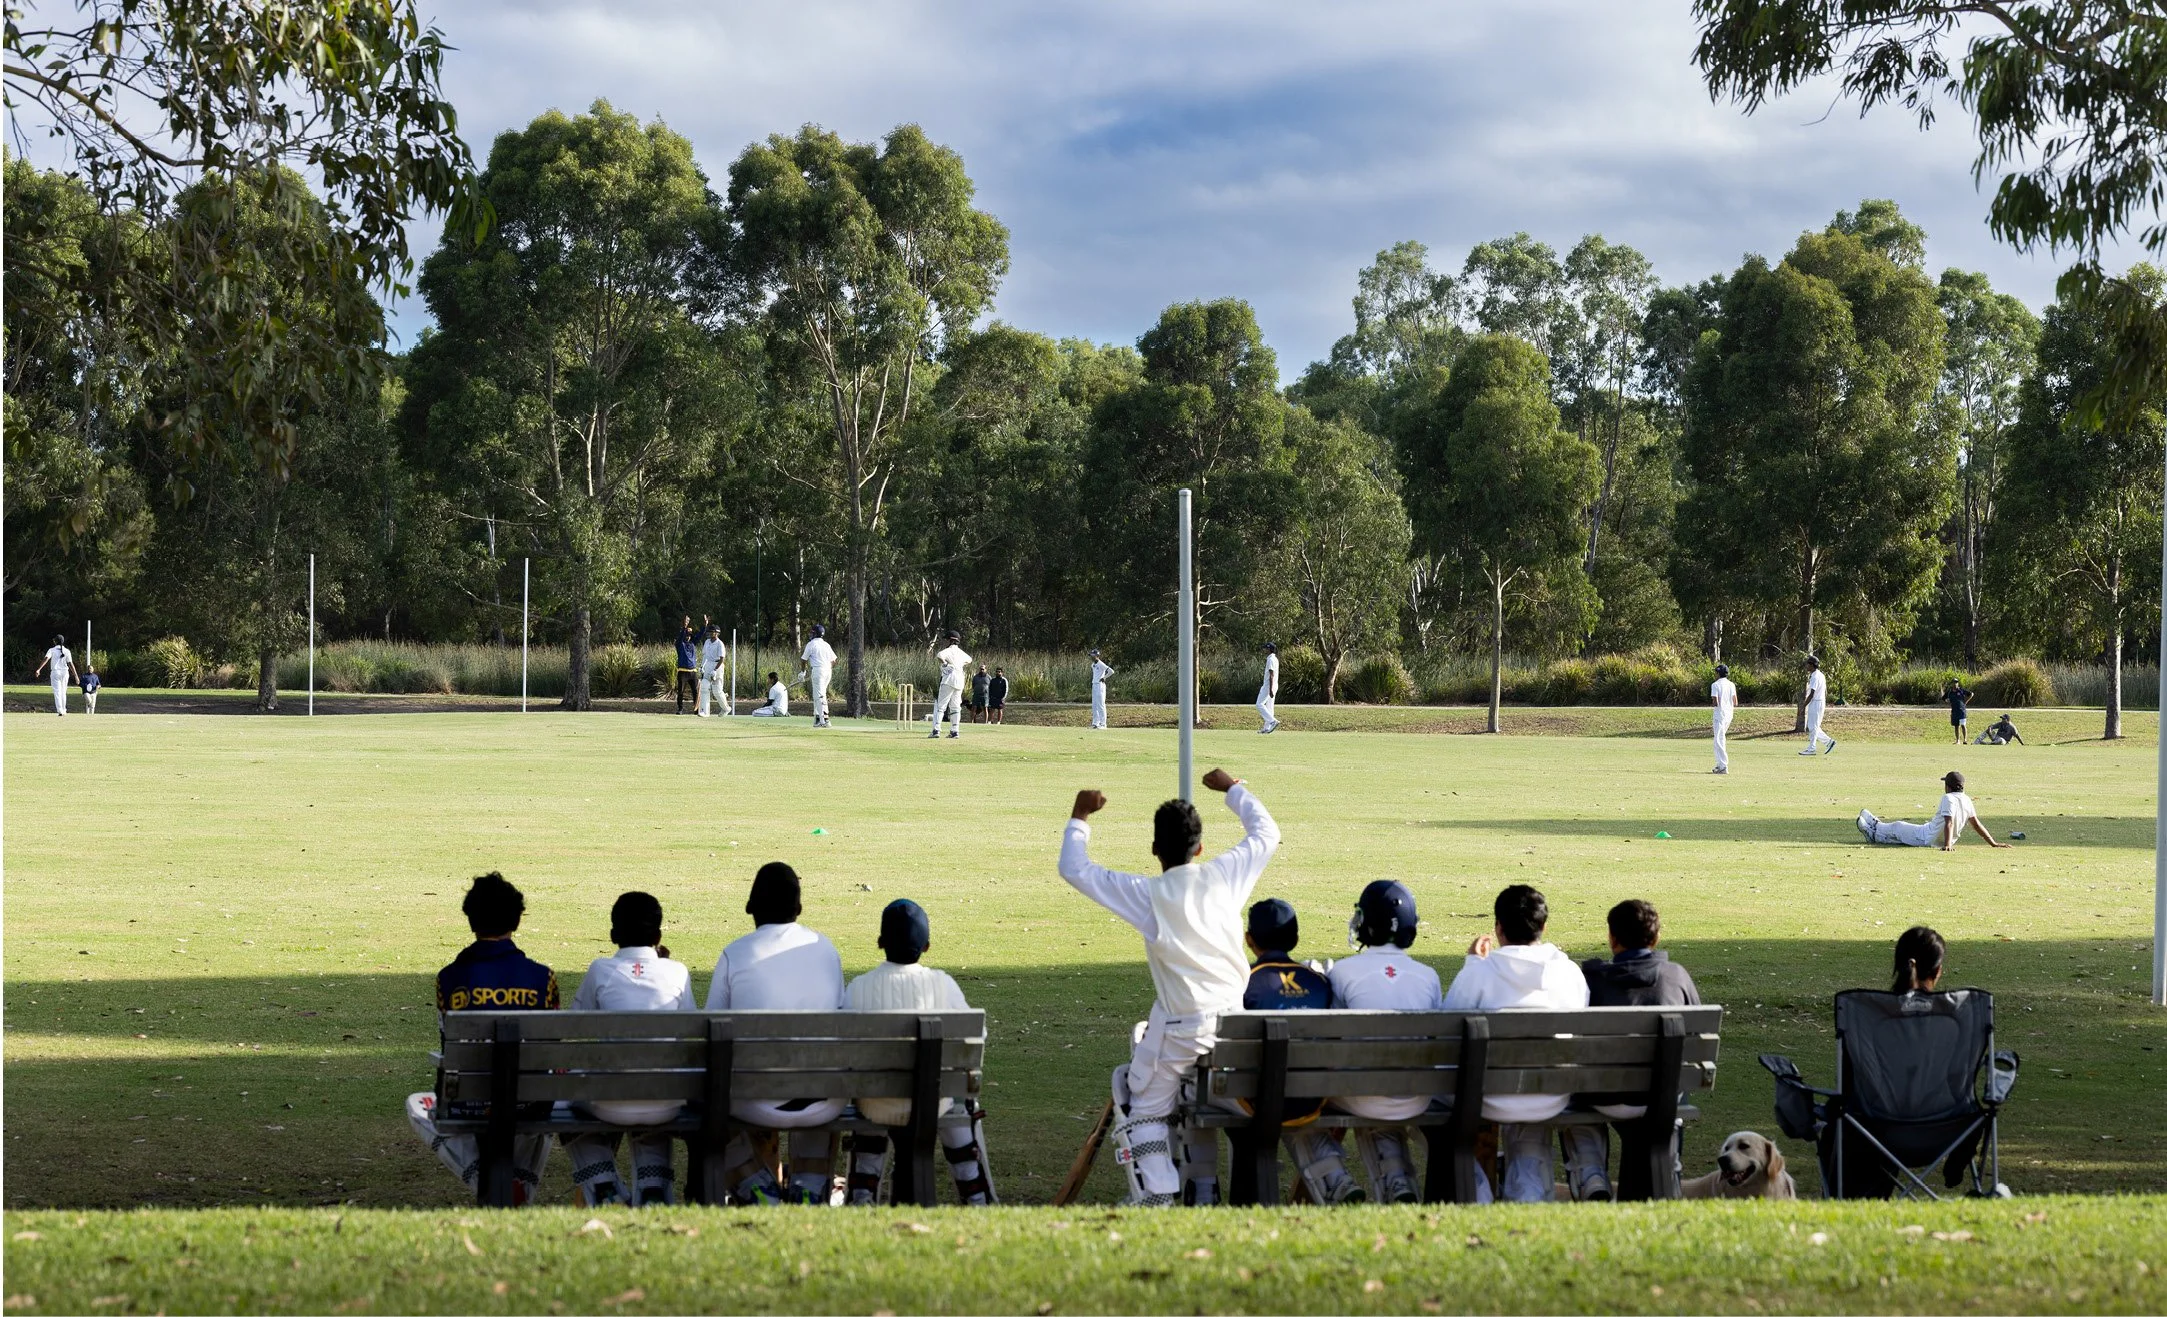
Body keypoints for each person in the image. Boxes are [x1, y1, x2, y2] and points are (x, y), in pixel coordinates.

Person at [1058, 766, 1280, 1207]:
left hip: (1185, 1030)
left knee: (1139, 1105)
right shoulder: (1225, 876)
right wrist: (1233, 789)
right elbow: (1266, 832)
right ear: (1201, 847)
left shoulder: (1148, 894)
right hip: (1235, 1027)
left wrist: (1080, 815)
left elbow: (1074, 868)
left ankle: (1157, 1194)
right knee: (1174, 1076)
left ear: (1155, 849)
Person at [404, 873, 560, 1204]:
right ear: (517, 920)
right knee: (546, 1094)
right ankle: (513, 1191)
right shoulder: (542, 978)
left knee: (418, 1104)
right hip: (529, 1102)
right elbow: (551, 1051)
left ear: (471, 920)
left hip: (471, 1102)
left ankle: (486, 1181)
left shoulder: (449, 979)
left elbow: (450, 1049)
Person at [706, 863, 848, 1204]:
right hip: (822, 1102)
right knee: (818, 1081)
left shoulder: (734, 953)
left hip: (753, 1101)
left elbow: (710, 1033)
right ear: (798, 909)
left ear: (751, 908)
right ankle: (810, 1186)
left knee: (710, 1095)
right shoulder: (826, 949)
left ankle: (756, 1184)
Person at [841, 899, 996, 1206]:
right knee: (953, 1099)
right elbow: (976, 1037)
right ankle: (975, 1194)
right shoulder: (942, 984)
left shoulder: (858, 988)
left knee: (870, 1092)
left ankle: (861, 1194)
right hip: (933, 1103)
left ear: (880, 942)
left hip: (875, 1105)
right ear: (927, 946)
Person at [1441, 884, 1589, 1202]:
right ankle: (1528, 1187)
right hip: (1552, 1094)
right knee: (1531, 1088)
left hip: (1486, 1098)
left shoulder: (1478, 975)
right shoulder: (1569, 973)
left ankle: (1478, 1187)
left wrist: (1472, 966)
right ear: (1543, 926)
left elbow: (1447, 1031)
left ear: (1498, 929)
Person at [1561, 899, 1704, 1202]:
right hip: (1660, 1096)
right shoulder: (1676, 976)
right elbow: (1696, 1039)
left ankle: (1591, 1173)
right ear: (1656, 938)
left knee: (1573, 1093)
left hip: (1603, 1096)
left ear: (1612, 939)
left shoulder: (1592, 979)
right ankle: (1668, 1165)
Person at [562, 892, 695, 1206]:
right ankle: (653, 1189)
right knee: (653, 1096)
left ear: (612, 935)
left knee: (559, 1099)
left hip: (609, 1100)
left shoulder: (600, 970)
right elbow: (689, 1030)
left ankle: (604, 1185)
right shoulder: (677, 972)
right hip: (667, 1101)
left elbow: (570, 1028)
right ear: (658, 935)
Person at [1327, 880, 1446, 1204]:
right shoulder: (1428, 976)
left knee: (1365, 1088)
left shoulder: (1342, 971)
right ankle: (1396, 1180)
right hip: (1417, 1096)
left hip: (1363, 1094)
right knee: (1381, 1085)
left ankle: (1350, 1179)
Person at [1241, 898, 1362, 1205]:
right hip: (1313, 1097)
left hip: (1255, 1098)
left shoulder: (1242, 982)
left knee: (1268, 1091)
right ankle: (1334, 1178)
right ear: (1295, 939)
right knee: (1290, 1096)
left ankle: (1202, 1189)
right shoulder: (1320, 982)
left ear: (1249, 939)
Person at [1856, 770, 2011, 850]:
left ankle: (1875, 827)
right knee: (1897, 837)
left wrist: (1948, 845)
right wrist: (1993, 843)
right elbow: (1976, 824)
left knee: (1898, 827)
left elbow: (1948, 823)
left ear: (1948, 787)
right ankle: (1874, 833)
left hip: (1927, 837)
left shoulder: (1948, 798)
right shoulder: (1966, 799)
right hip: (1935, 836)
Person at [930, 631, 970, 739]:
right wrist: (960, 664)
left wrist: (945, 664)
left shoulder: (948, 650)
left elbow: (939, 655)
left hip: (948, 679)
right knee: (955, 707)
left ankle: (936, 730)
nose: (945, 641)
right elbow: (969, 660)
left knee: (941, 706)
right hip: (959, 680)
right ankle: (954, 731)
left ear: (950, 640)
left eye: (946, 639)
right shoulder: (961, 653)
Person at [1799, 655, 1836, 755]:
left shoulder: (1815, 676)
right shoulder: (1821, 675)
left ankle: (1812, 749)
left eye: (1808, 664)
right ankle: (1829, 742)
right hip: (1820, 702)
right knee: (1814, 727)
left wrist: (1804, 706)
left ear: (1812, 665)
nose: (1806, 666)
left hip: (1816, 702)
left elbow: (1812, 693)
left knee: (1813, 727)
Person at [802, 624, 837, 727]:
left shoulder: (811, 644)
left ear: (815, 633)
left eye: (812, 632)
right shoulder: (826, 644)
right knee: (819, 695)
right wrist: (827, 667)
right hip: (827, 671)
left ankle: (825, 720)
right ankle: (817, 719)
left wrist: (802, 672)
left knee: (820, 696)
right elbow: (834, 661)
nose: (810, 634)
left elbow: (803, 659)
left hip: (818, 671)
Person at [34, 634, 74, 716]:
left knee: (57, 692)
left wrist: (39, 669)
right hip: (65, 673)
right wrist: (76, 676)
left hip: (55, 672)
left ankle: (60, 711)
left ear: (56, 641)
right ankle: (64, 709)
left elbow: (46, 659)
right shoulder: (67, 651)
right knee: (63, 692)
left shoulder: (51, 650)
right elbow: (70, 664)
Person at [1710, 663, 1737, 774]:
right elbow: (1735, 702)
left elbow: (1715, 702)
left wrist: (1714, 704)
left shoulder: (1715, 685)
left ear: (1718, 673)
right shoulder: (1731, 685)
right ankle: (1720, 764)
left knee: (1718, 740)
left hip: (1719, 715)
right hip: (1729, 714)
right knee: (1720, 738)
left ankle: (1723, 765)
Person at [698, 622, 726, 717]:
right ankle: (705, 711)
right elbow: (705, 656)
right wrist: (702, 666)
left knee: (717, 690)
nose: (710, 633)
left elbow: (722, 659)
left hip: (717, 665)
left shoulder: (720, 644)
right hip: (708, 665)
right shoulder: (707, 642)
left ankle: (725, 708)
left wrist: (715, 670)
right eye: (709, 631)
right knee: (704, 686)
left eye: (712, 631)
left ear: (717, 633)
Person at [674, 616, 699, 715]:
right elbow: (680, 637)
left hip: (693, 672)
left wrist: (705, 626)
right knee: (680, 691)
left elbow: (699, 636)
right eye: (686, 635)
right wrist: (684, 627)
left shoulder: (692, 644)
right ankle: (680, 709)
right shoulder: (680, 644)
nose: (688, 637)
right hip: (683, 671)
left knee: (695, 692)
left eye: (689, 635)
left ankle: (696, 709)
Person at [1256, 643, 1280, 734]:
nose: (1264, 650)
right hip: (1274, 685)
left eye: (1265, 648)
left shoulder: (1270, 659)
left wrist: (1270, 689)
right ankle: (1267, 727)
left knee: (1259, 704)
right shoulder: (1275, 659)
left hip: (1268, 685)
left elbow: (1271, 675)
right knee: (1269, 706)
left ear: (1269, 649)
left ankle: (1272, 721)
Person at [1943, 678, 1975, 745]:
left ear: (1958, 683)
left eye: (1956, 682)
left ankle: (1965, 740)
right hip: (1954, 711)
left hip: (1962, 711)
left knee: (1963, 725)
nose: (1955, 683)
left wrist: (1965, 702)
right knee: (1956, 726)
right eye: (1954, 682)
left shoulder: (1961, 690)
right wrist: (1947, 701)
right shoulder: (1949, 692)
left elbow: (1971, 694)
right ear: (1952, 683)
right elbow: (1943, 698)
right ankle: (1958, 741)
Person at [1089, 650, 1113, 730]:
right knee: (1094, 705)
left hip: (1100, 685)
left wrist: (1104, 677)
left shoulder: (1101, 664)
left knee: (1101, 705)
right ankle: (1095, 723)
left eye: (1092, 655)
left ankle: (1103, 724)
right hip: (1094, 685)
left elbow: (1111, 671)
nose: (1091, 657)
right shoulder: (1093, 665)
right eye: (1091, 655)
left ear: (1097, 655)